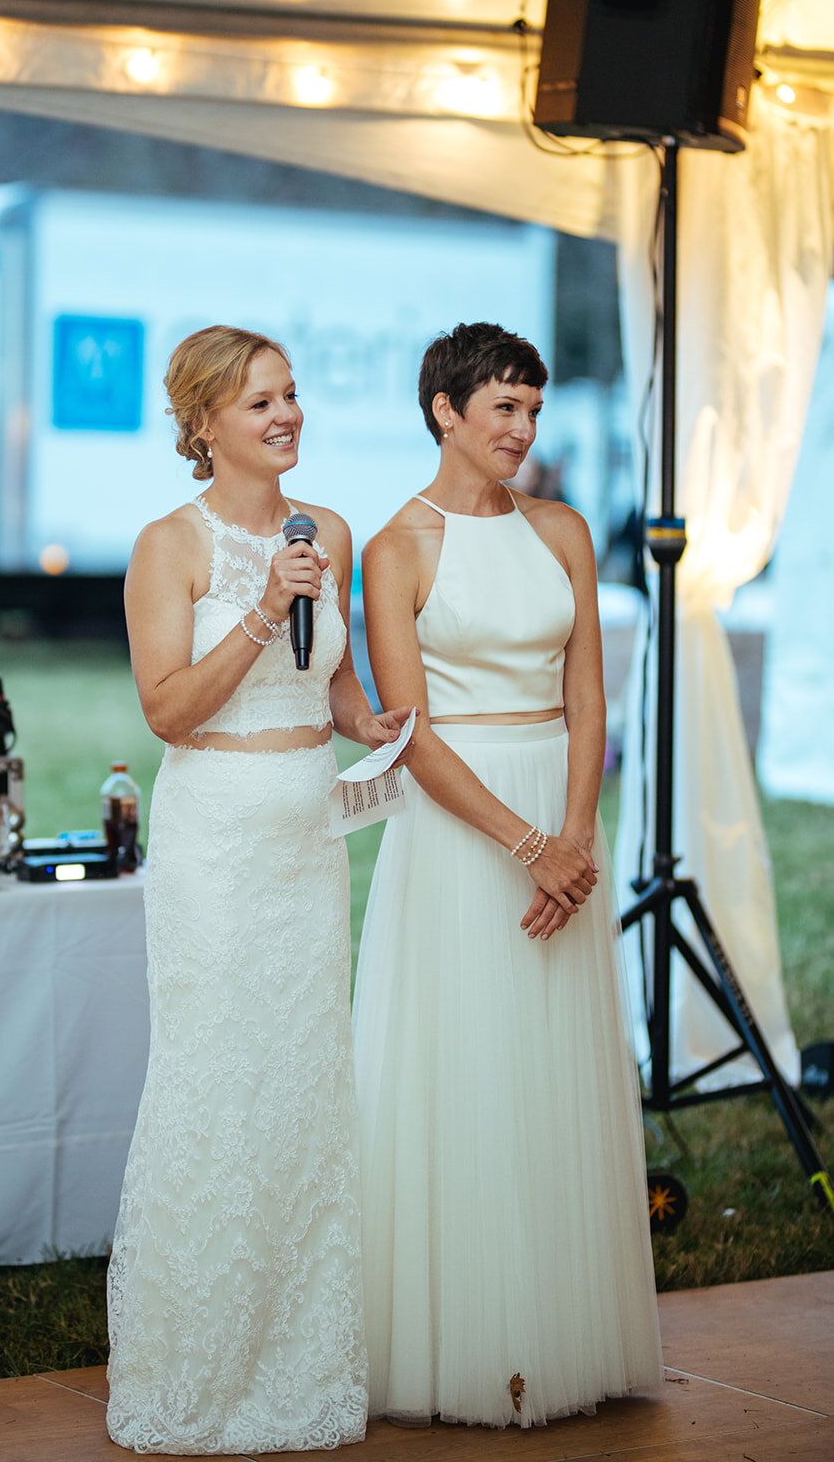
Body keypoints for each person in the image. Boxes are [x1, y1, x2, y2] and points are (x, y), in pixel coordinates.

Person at [352, 322, 662, 1429]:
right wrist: (529, 845)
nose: (523, 431)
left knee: (553, 1077)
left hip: (558, 815)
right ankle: (462, 1344)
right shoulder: (397, 546)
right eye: (503, 410)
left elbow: (589, 697)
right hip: (458, 831)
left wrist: (576, 833)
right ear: (445, 409)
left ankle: (563, 1332)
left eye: (531, 410)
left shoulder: (564, 530)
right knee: (467, 1072)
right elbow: (407, 735)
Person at [106, 324, 410, 1454]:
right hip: (215, 848)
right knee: (216, 1086)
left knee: (298, 1087)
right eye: (259, 403)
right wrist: (254, 605)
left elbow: (326, 678)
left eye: (290, 395)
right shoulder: (167, 547)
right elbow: (169, 711)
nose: (285, 416)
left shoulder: (324, 531)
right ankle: (193, 1373)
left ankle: (296, 1362)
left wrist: (368, 724)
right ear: (202, 425)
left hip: (304, 842)